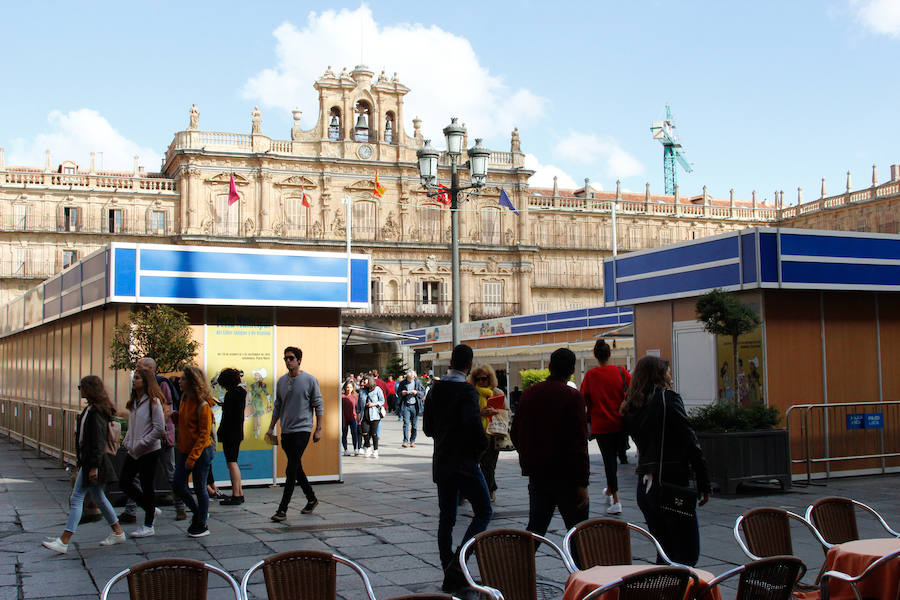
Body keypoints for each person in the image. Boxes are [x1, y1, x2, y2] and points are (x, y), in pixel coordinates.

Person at [621, 355, 711, 566]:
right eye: (667, 371)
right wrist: (703, 480)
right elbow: (690, 442)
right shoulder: (668, 399)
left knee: (665, 550)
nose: (670, 376)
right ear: (660, 375)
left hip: (646, 486)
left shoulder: (631, 405)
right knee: (687, 553)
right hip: (670, 483)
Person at [423, 344, 492, 595]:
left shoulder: (435, 389)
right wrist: (481, 447)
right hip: (464, 461)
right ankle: (458, 566)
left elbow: (428, 429)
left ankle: (448, 565)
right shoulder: (467, 391)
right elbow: (474, 426)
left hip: (442, 461)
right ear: (470, 365)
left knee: (447, 517)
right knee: (484, 510)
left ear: (451, 362)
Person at [511, 348, 589, 541]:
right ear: (572, 370)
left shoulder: (529, 394)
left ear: (549, 367)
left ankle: (520, 568)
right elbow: (579, 441)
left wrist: (529, 453)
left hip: (538, 474)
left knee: (536, 529)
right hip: (567, 476)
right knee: (577, 533)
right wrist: (582, 482)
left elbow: (515, 432)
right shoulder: (573, 397)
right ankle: (580, 570)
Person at [42, 376, 125, 553]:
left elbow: (96, 441)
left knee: (77, 498)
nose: (80, 389)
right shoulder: (92, 410)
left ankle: (64, 540)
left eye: (82, 387)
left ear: (89, 389)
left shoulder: (95, 412)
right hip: (90, 461)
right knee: (99, 498)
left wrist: (93, 466)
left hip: (93, 462)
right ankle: (117, 531)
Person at [120, 356, 187, 523]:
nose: (136, 371)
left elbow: (166, 410)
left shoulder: (161, 386)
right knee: (135, 478)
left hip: (161, 438)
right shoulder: (137, 396)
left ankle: (180, 506)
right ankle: (132, 510)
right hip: (142, 442)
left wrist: (163, 433)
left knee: (168, 472)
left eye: (139, 368)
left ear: (149, 370)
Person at [268, 346, 323, 521]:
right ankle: (311, 498)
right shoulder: (282, 381)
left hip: (303, 429)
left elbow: (318, 404)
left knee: (291, 468)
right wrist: (271, 427)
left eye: (291, 358)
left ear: (299, 360)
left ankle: (282, 509)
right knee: (296, 466)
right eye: (285, 358)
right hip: (286, 430)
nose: (288, 361)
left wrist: (318, 429)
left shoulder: (309, 380)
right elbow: (278, 406)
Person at [580, 339, 630, 515]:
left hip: (601, 425)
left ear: (596, 356)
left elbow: (583, 400)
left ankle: (616, 498)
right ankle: (610, 491)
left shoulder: (591, 376)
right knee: (614, 460)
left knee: (609, 461)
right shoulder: (621, 372)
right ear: (610, 354)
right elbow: (632, 392)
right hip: (621, 423)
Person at [119, 367, 166, 537]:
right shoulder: (134, 402)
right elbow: (133, 425)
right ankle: (150, 508)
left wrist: (141, 443)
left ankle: (148, 525)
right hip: (134, 450)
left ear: (146, 382)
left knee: (147, 486)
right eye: (134, 378)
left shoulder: (154, 402)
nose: (134, 381)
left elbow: (159, 429)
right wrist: (127, 440)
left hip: (148, 450)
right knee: (124, 481)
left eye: (137, 378)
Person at [173, 365, 217, 537]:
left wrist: (192, 457)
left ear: (192, 382)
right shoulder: (184, 399)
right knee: (178, 484)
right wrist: (177, 419)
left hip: (200, 452)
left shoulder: (203, 405)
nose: (179, 381)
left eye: (183, 379)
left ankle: (201, 523)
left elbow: (204, 435)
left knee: (200, 487)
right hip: (186, 450)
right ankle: (199, 513)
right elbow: (188, 427)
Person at [469, 365, 506, 502]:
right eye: (477, 379)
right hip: (477, 434)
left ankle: (489, 490)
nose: (481, 382)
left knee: (489, 465)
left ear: (490, 378)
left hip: (493, 433)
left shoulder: (497, 392)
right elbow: (468, 413)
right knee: (479, 465)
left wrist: (496, 412)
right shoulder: (472, 393)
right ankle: (485, 490)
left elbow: (506, 411)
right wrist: (480, 413)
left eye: (484, 378)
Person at [217, 368, 246, 505]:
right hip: (237, 431)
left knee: (231, 462)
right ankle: (239, 492)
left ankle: (236, 494)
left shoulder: (231, 394)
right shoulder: (241, 392)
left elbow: (228, 415)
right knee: (234, 461)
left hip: (229, 432)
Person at [397, 370, 424, 447]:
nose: (410, 379)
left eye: (412, 378)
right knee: (406, 423)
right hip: (406, 405)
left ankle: (412, 441)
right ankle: (405, 441)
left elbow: (423, 392)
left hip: (415, 405)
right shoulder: (403, 383)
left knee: (414, 425)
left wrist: (417, 392)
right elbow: (398, 393)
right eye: (409, 378)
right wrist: (402, 393)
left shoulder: (418, 382)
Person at [359, 375, 384, 458]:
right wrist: (357, 413)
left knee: (373, 433)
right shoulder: (362, 391)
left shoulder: (377, 389)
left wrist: (373, 404)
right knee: (365, 432)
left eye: (365, 380)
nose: (363, 381)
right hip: (364, 414)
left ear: (369, 380)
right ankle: (368, 448)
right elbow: (359, 403)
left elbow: (382, 400)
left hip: (374, 414)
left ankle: (376, 450)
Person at [341, 380, 359, 456]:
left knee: (354, 433)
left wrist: (358, 419)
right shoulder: (341, 396)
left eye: (350, 387)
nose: (349, 389)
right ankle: (346, 449)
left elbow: (358, 408)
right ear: (345, 387)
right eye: (347, 387)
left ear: (353, 388)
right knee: (344, 434)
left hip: (353, 418)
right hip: (344, 418)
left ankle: (356, 449)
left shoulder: (355, 396)